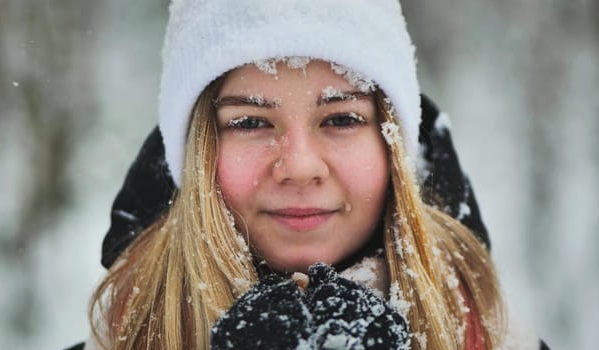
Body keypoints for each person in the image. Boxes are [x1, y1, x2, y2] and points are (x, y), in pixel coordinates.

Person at [71, 0, 550, 349]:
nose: (299, 167)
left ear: (392, 147)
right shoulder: (121, 336)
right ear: (199, 153)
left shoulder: (496, 338)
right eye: (251, 123)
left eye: (341, 119)